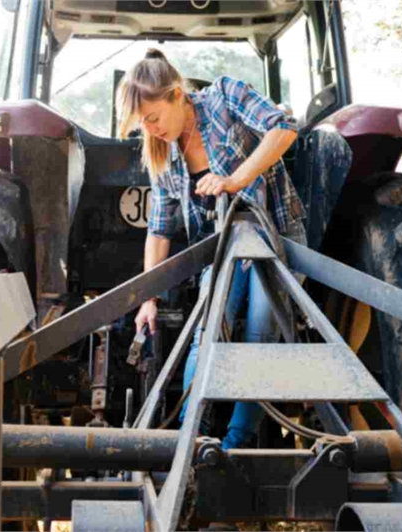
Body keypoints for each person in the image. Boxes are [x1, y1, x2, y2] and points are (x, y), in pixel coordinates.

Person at [116, 48, 307, 449]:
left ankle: (236, 443)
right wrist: (148, 297)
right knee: (209, 328)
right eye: (142, 124)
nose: (150, 130)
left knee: (261, 330)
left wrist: (233, 180)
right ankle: (194, 436)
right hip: (224, 247)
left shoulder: (225, 97)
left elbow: (283, 127)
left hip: (273, 235)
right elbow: (159, 228)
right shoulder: (162, 153)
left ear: (177, 94)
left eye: (153, 118)